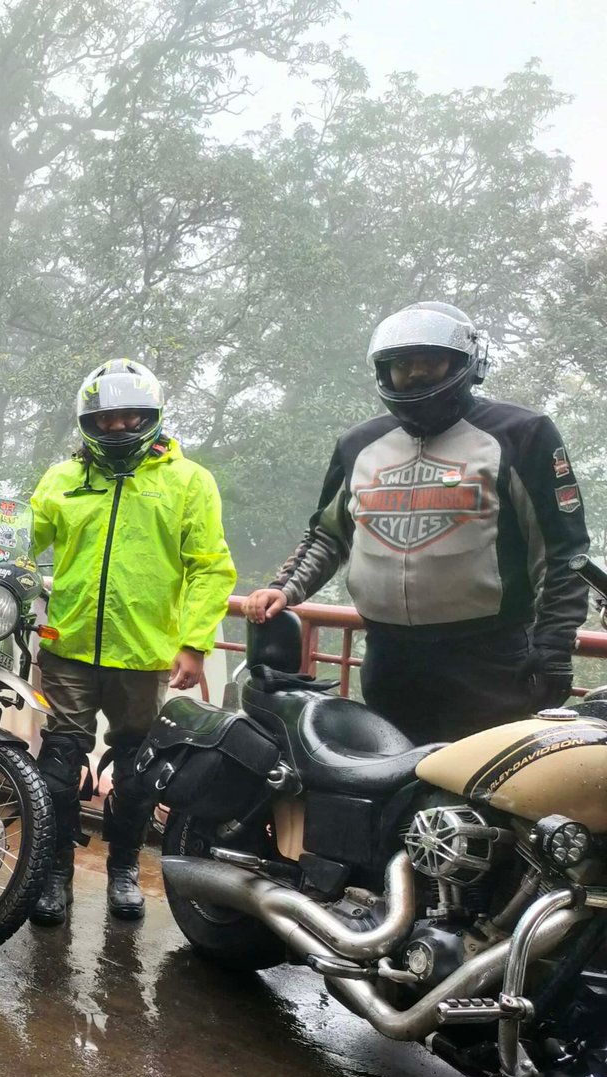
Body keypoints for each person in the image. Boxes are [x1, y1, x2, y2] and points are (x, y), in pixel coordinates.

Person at [244, 301, 589, 744]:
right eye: (402, 365)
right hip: (389, 657)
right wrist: (285, 588)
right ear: (384, 371)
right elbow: (328, 534)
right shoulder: (358, 444)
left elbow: (563, 552)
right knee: (391, 774)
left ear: (465, 363)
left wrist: (554, 645)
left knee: (484, 782)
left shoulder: (522, 434)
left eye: (431, 360)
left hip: (490, 658)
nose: (416, 374)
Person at [29, 359, 235, 923]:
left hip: (145, 654)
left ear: (152, 417)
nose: (118, 427)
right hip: (68, 644)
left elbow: (210, 567)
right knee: (58, 763)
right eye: (106, 419)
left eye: (130, 417)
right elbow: (21, 539)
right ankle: (54, 873)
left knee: (137, 769)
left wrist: (194, 642)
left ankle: (123, 870)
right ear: (88, 423)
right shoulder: (62, 479)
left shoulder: (188, 481)